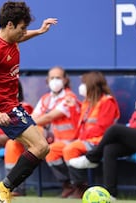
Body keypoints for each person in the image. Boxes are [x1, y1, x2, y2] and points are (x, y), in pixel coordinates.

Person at [0, 1, 57, 202]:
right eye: (22, 28)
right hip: (3, 107)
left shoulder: (12, 39)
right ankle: (3, 187)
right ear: (9, 25)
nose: (24, 32)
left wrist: (39, 31)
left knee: (41, 148)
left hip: (12, 105)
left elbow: (22, 37)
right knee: (40, 147)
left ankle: (4, 188)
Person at [69, 69, 136, 199]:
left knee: (114, 130)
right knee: (110, 149)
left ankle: (92, 158)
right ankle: (111, 193)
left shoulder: (107, 101)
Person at [58, 71, 120, 198]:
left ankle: (81, 187)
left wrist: (82, 136)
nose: (81, 86)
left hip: (98, 142)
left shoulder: (107, 102)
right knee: (53, 150)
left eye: (84, 83)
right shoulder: (87, 102)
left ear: (91, 84)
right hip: (84, 140)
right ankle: (68, 185)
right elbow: (80, 124)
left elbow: (103, 127)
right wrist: (72, 108)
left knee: (70, 149)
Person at [31, 66, 81, 198]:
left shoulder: (69, 97)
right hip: (55, 141)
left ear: (65, 80)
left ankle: (78, 186)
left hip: (72, 139)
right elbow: (33, 116)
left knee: (52, 151)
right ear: (47, 80)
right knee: (50, 152)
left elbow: (49, 117)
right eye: (52, 78)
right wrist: (33, 123)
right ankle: (67, 186)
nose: (54, 81)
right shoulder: (45, 98)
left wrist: (33, 123)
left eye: (58, 77)